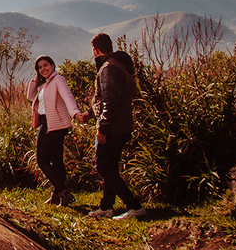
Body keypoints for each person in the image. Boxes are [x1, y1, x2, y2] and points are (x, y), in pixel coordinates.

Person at [75, 33, 146, 220]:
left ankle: (135, 207)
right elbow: (109, 99)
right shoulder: (119, 65)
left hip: (113, 128)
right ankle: (106, 207)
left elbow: (111, 102)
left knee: (104, 167)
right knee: (110, 167)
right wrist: (90, 114)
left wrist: (103, 128)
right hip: (122, 125)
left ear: (94, 50)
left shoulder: (108, 68)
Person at [26, 55, 82, 206]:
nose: (43, 69)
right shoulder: (44, 84)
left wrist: (75, 113)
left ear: (52, 65)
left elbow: (67, 96)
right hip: (47, 123)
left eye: (45, 65)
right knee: (57, 161)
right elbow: (30, 97)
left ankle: (63, 191)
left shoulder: (58, 80)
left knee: (42, 160)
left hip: (56, 125)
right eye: (39, 67)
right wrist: (35, 79)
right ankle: (58, 196)